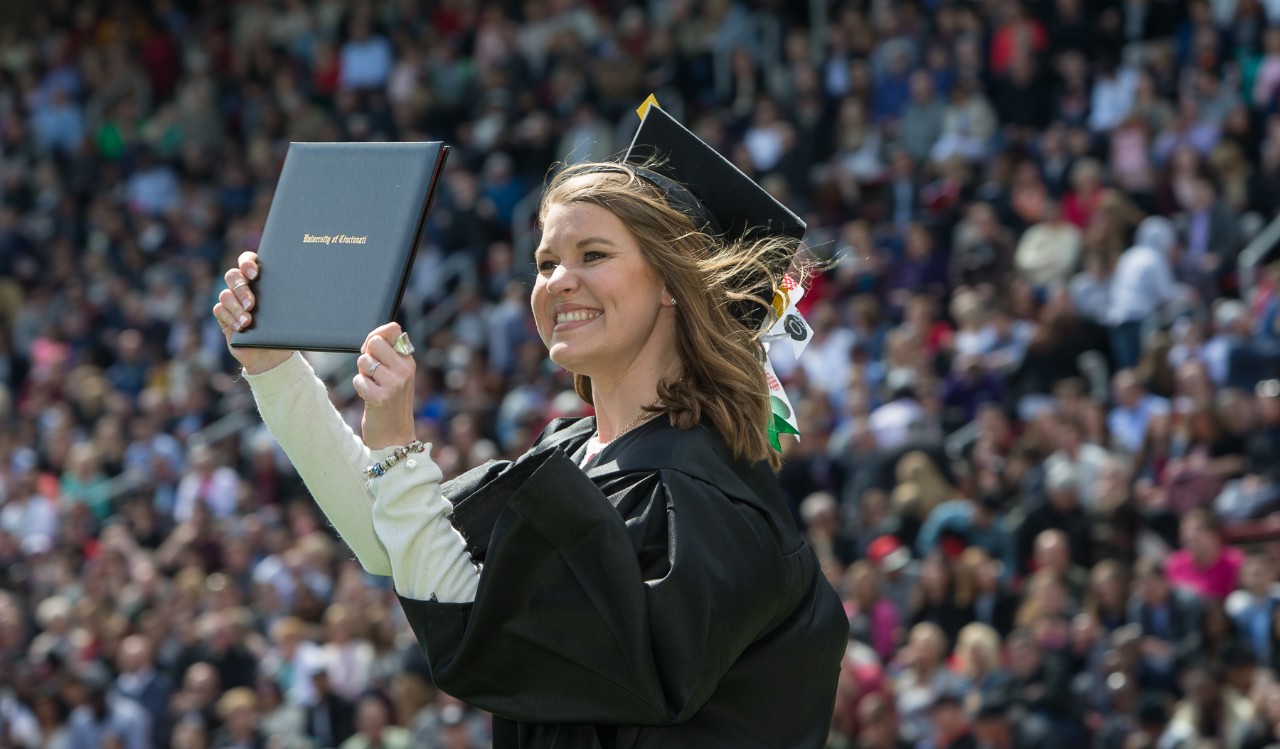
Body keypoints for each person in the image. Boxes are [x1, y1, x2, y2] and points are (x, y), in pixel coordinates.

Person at [212, 101, 848, 746]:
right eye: (545, 264)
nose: (559, 282)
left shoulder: (706, 496)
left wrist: (400, 449)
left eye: (592, 254)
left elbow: (476, 626)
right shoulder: (575, 453)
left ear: (671, 282)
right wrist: (275, 368)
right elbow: (394, 542)